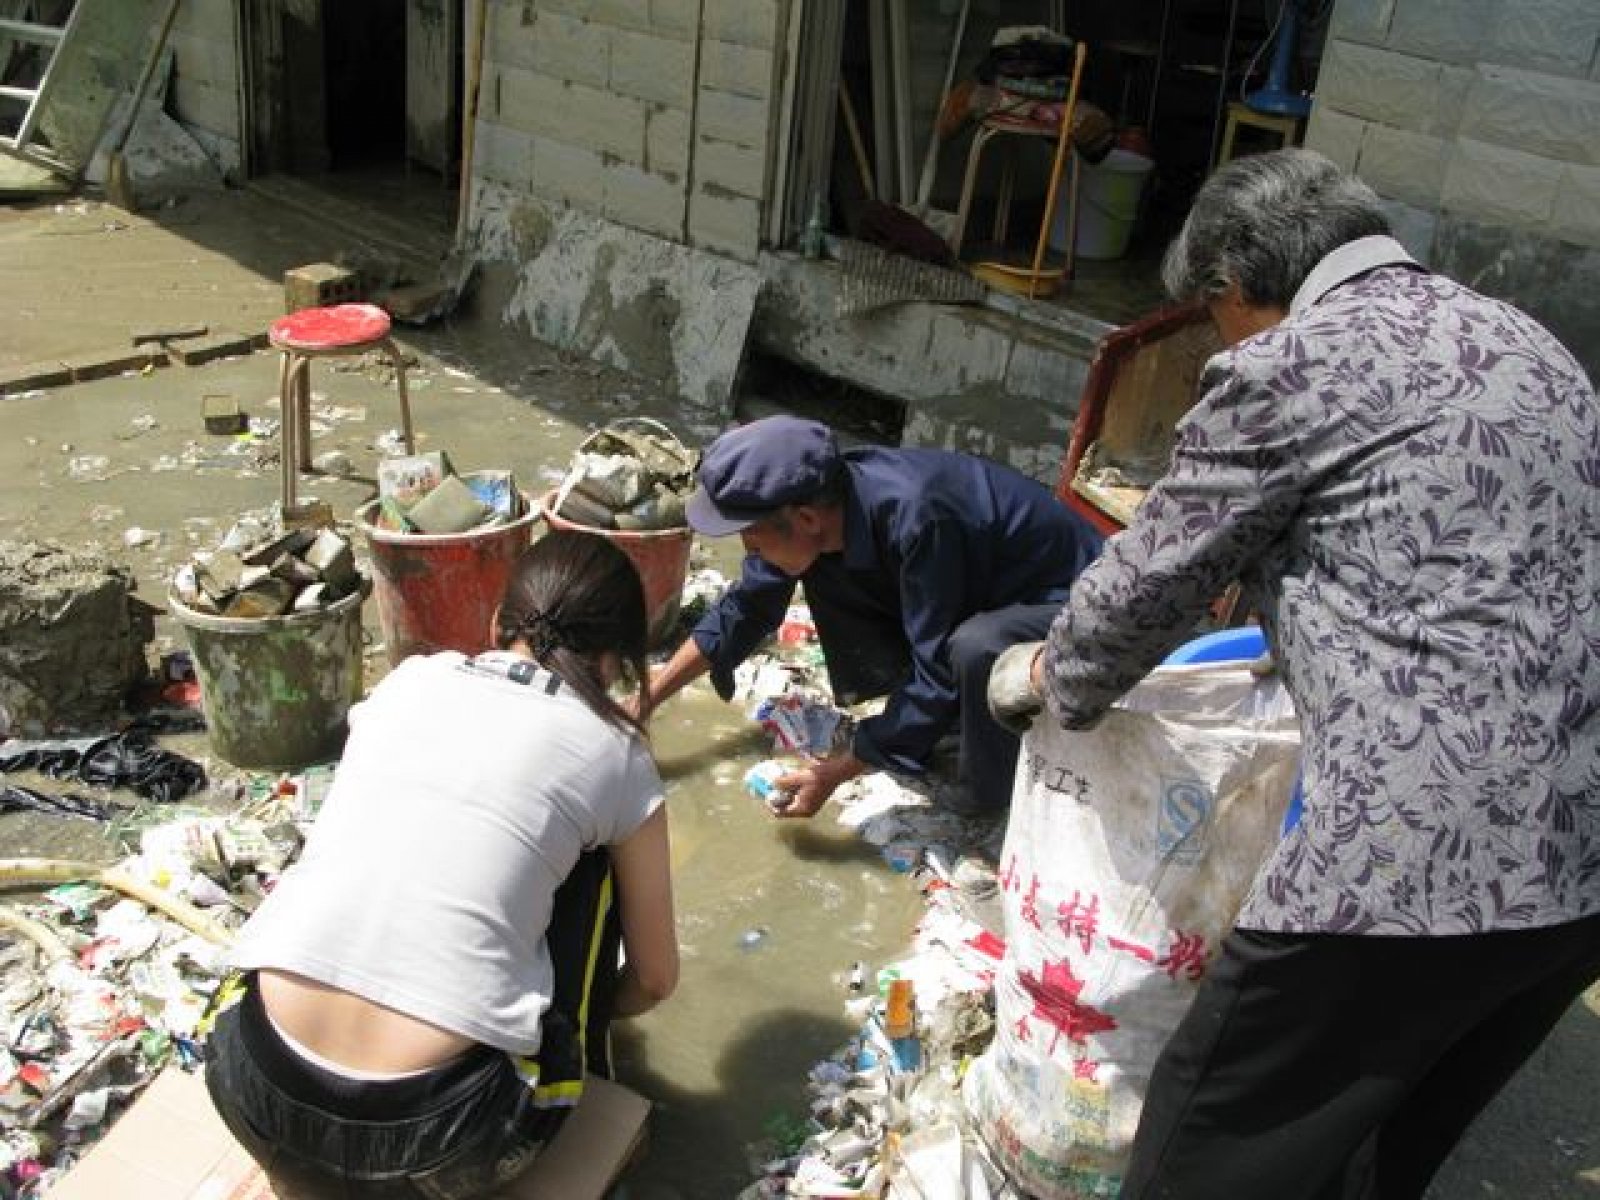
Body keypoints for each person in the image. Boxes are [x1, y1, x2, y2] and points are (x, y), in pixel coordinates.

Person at [1000, 148, 1600, 1198]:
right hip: (1581, 866)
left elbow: (1148, 584)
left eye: (1211, 318)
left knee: (1203, 1143)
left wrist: (1052, 676)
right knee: (1375, 1149)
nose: (1218, 341)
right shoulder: (1534, 346)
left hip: (1409, 856)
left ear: (1234, 285)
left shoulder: (1289, 363)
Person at [204, 531, 678, 1198]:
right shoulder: (617, 753)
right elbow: (655, 979)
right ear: (618, 660)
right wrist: (590, 1012)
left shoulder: (411, 681)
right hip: (444, 1146)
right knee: (593, 870)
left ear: (498, 622)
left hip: (250, 1089)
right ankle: (580, 1067)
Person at [649, 414, 1104, 820]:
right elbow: (747, 605)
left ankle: (988, 795)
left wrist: (837, 771)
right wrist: (647, 699)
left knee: (974, 649)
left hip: (1076, 606)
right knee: (825, 572)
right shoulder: (824, 511)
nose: (749, 551)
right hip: (979, 589)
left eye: (751, 540)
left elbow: (939, 670)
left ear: (806, 519)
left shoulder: (918, 519)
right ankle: (928, 722)